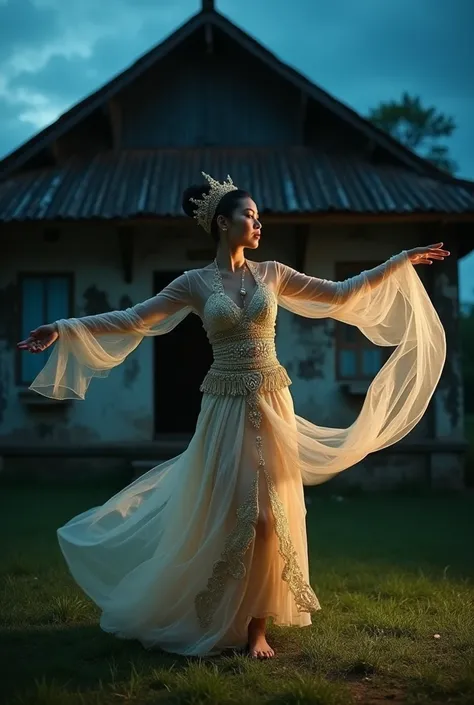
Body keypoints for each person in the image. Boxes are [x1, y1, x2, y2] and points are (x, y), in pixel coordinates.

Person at [17, 172, 449, 660]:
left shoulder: (274, 273)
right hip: (224, 406)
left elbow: (341, 293)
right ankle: (217, 615)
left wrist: (398, 263)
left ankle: (256, 629)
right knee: (230, 515)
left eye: (259, 216)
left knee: (272, 516)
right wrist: (62, 326)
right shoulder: (194, 283)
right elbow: (134, 318)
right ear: (223, 223)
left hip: (271, 400)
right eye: (250, 215)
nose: (258, 223)